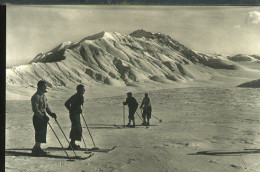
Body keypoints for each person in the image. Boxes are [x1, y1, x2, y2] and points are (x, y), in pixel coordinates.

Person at [31, 80, 57, 155]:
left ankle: (37, 148)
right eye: (44, 86)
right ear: (40, 87)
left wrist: (51, 113)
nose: (46, 87)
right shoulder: (35, 96)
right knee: (39, 133)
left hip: (43, 116)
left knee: (42, 133)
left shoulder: (43, 95)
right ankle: (35, 149)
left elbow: (46, 106)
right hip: (38, 117)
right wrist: (42, 116)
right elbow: (35, 110)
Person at [65, 84, 85, 150]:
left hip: (77, 114)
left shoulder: (80, 96)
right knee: (75, 128)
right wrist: (72, 110)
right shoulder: (75, 96)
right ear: (79, 90)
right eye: (83, 89)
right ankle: (72, 144)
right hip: (74, 114)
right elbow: (66, 103)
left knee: (78, 127)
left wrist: (79, 109)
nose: (84, 90)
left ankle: (73, 143)